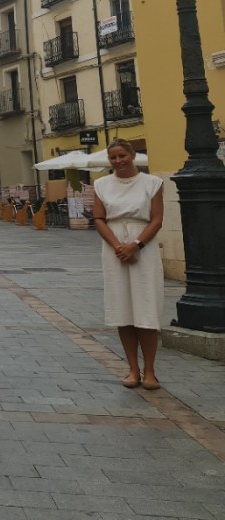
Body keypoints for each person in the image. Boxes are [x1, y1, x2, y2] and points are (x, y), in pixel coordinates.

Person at [93, 138, 164, 391]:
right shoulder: (101, 185)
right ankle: (133, 369)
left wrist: (135, 245)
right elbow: (99, 218)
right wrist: (118, 246)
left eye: (122, 155)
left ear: (132, 155)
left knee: (146, 308)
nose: (118, 161)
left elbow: (156, 220)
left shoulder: (152, 183)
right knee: (122, 309)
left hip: (143, 247)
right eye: (113, 157)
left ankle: (151, 371)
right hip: (114, 249)